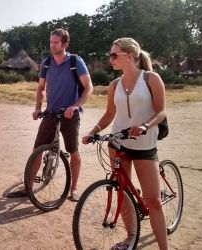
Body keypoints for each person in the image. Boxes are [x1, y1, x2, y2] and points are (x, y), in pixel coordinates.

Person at [82, 37, 168, 249]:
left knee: (154, 201)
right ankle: (131, 237)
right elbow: (110, 114)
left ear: (128, 56)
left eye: (114, 55)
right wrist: (93, 132)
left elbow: (161, 111)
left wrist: (146, 126)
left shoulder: (151, 79)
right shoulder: (114, 85)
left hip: (144, 145)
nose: (110, 59)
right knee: (123, 192)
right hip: (118, 143)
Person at [8, 28, 93, 201]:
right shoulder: (46, 63)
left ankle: (74, 189)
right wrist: (38, 107)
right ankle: (28, 187)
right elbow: (40, 88)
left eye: (56, 42)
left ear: (65, 44)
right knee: (37, 150)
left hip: (70, 114)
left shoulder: (75, 61)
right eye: (51, 42)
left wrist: (76, 106)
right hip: (51, 113)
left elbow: (88, 87)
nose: (52, 45)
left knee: (73, 151)